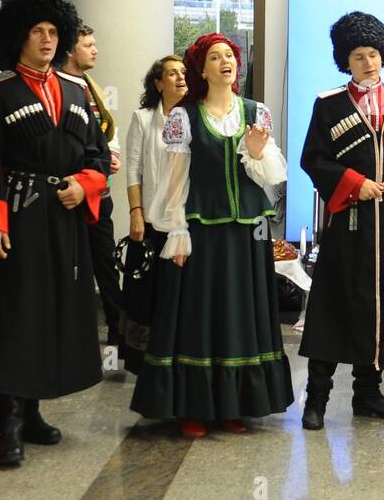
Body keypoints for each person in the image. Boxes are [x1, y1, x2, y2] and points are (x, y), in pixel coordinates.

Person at [0, 0, 110, 467]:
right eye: (38, 31)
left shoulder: (77, 92)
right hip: (19, 214)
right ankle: (7, 421)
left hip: (66, 215)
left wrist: (85, 184)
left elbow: (97, 155)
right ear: (20, 36)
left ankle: (32, 413)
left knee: (54, 310)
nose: (47, 40)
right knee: (17, 313)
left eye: (54, 32)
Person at [131, 34, 294, 435]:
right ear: (200, 70)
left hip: (246, 233)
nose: (226, 62)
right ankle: (193, 406)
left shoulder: (257, 112)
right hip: (201, 229)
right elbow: (174, 180)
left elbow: (271, 176)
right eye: (215, 57)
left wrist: (256, 152)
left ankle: (232, 405)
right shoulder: (183, 117)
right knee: (198, 315)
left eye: (230, 56)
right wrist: (176, 230)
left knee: (240, 313)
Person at [298, 12, 384, 431]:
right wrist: (354, 184)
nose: (368, 62)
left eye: (373, 54)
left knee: (383, 308)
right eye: (358, 56)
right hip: (348, 224)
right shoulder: (328, 103)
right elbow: (312, 159)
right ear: (346, 60)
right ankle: (316, 399)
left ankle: (368, 395)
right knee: (334, 307)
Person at [118, 55, 186, 372]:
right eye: (172, 73)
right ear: (159, 83)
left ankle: (179, 356)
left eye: (184, 72)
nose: (179, 78)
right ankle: (143, 362)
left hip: (185, 224)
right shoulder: (144, 118)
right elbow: (133, 170)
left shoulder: (195, 118)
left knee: (180, 295)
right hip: (150, 222)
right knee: (147, 294)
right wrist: (135, 212)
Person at [61, 24, 123, 346]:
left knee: (106, 263)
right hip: (72, 192)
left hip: (100, 192)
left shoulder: (91, 86)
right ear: (71, 50)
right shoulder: (59, 85)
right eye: (88, 44)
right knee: (74, 265)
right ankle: (75, 330)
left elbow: (108, 132)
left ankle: (117, 328)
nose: (95, 50)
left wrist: (112, 156)